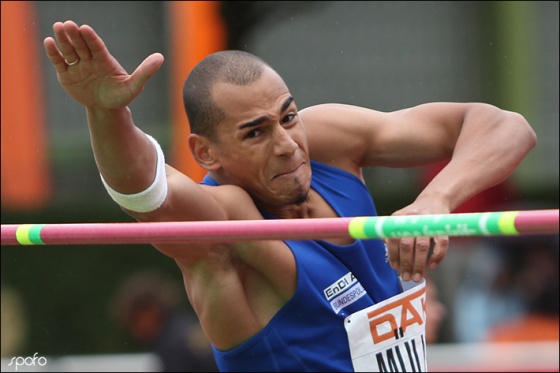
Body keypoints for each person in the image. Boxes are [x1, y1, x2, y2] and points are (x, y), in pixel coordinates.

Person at [43, 20, 537, 372]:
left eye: (288, 116)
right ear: (206, 153)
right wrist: (106, 114)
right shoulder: (227, 225)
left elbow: (505, 127)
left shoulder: (328, 142)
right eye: (255, 133)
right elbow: (147, 194)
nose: (287, 146)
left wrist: (438, 199)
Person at [112, 270, 218, 372]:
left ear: (152, 310)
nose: (133, 330)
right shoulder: (187, 326)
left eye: (135, 320)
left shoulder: (171, 344)